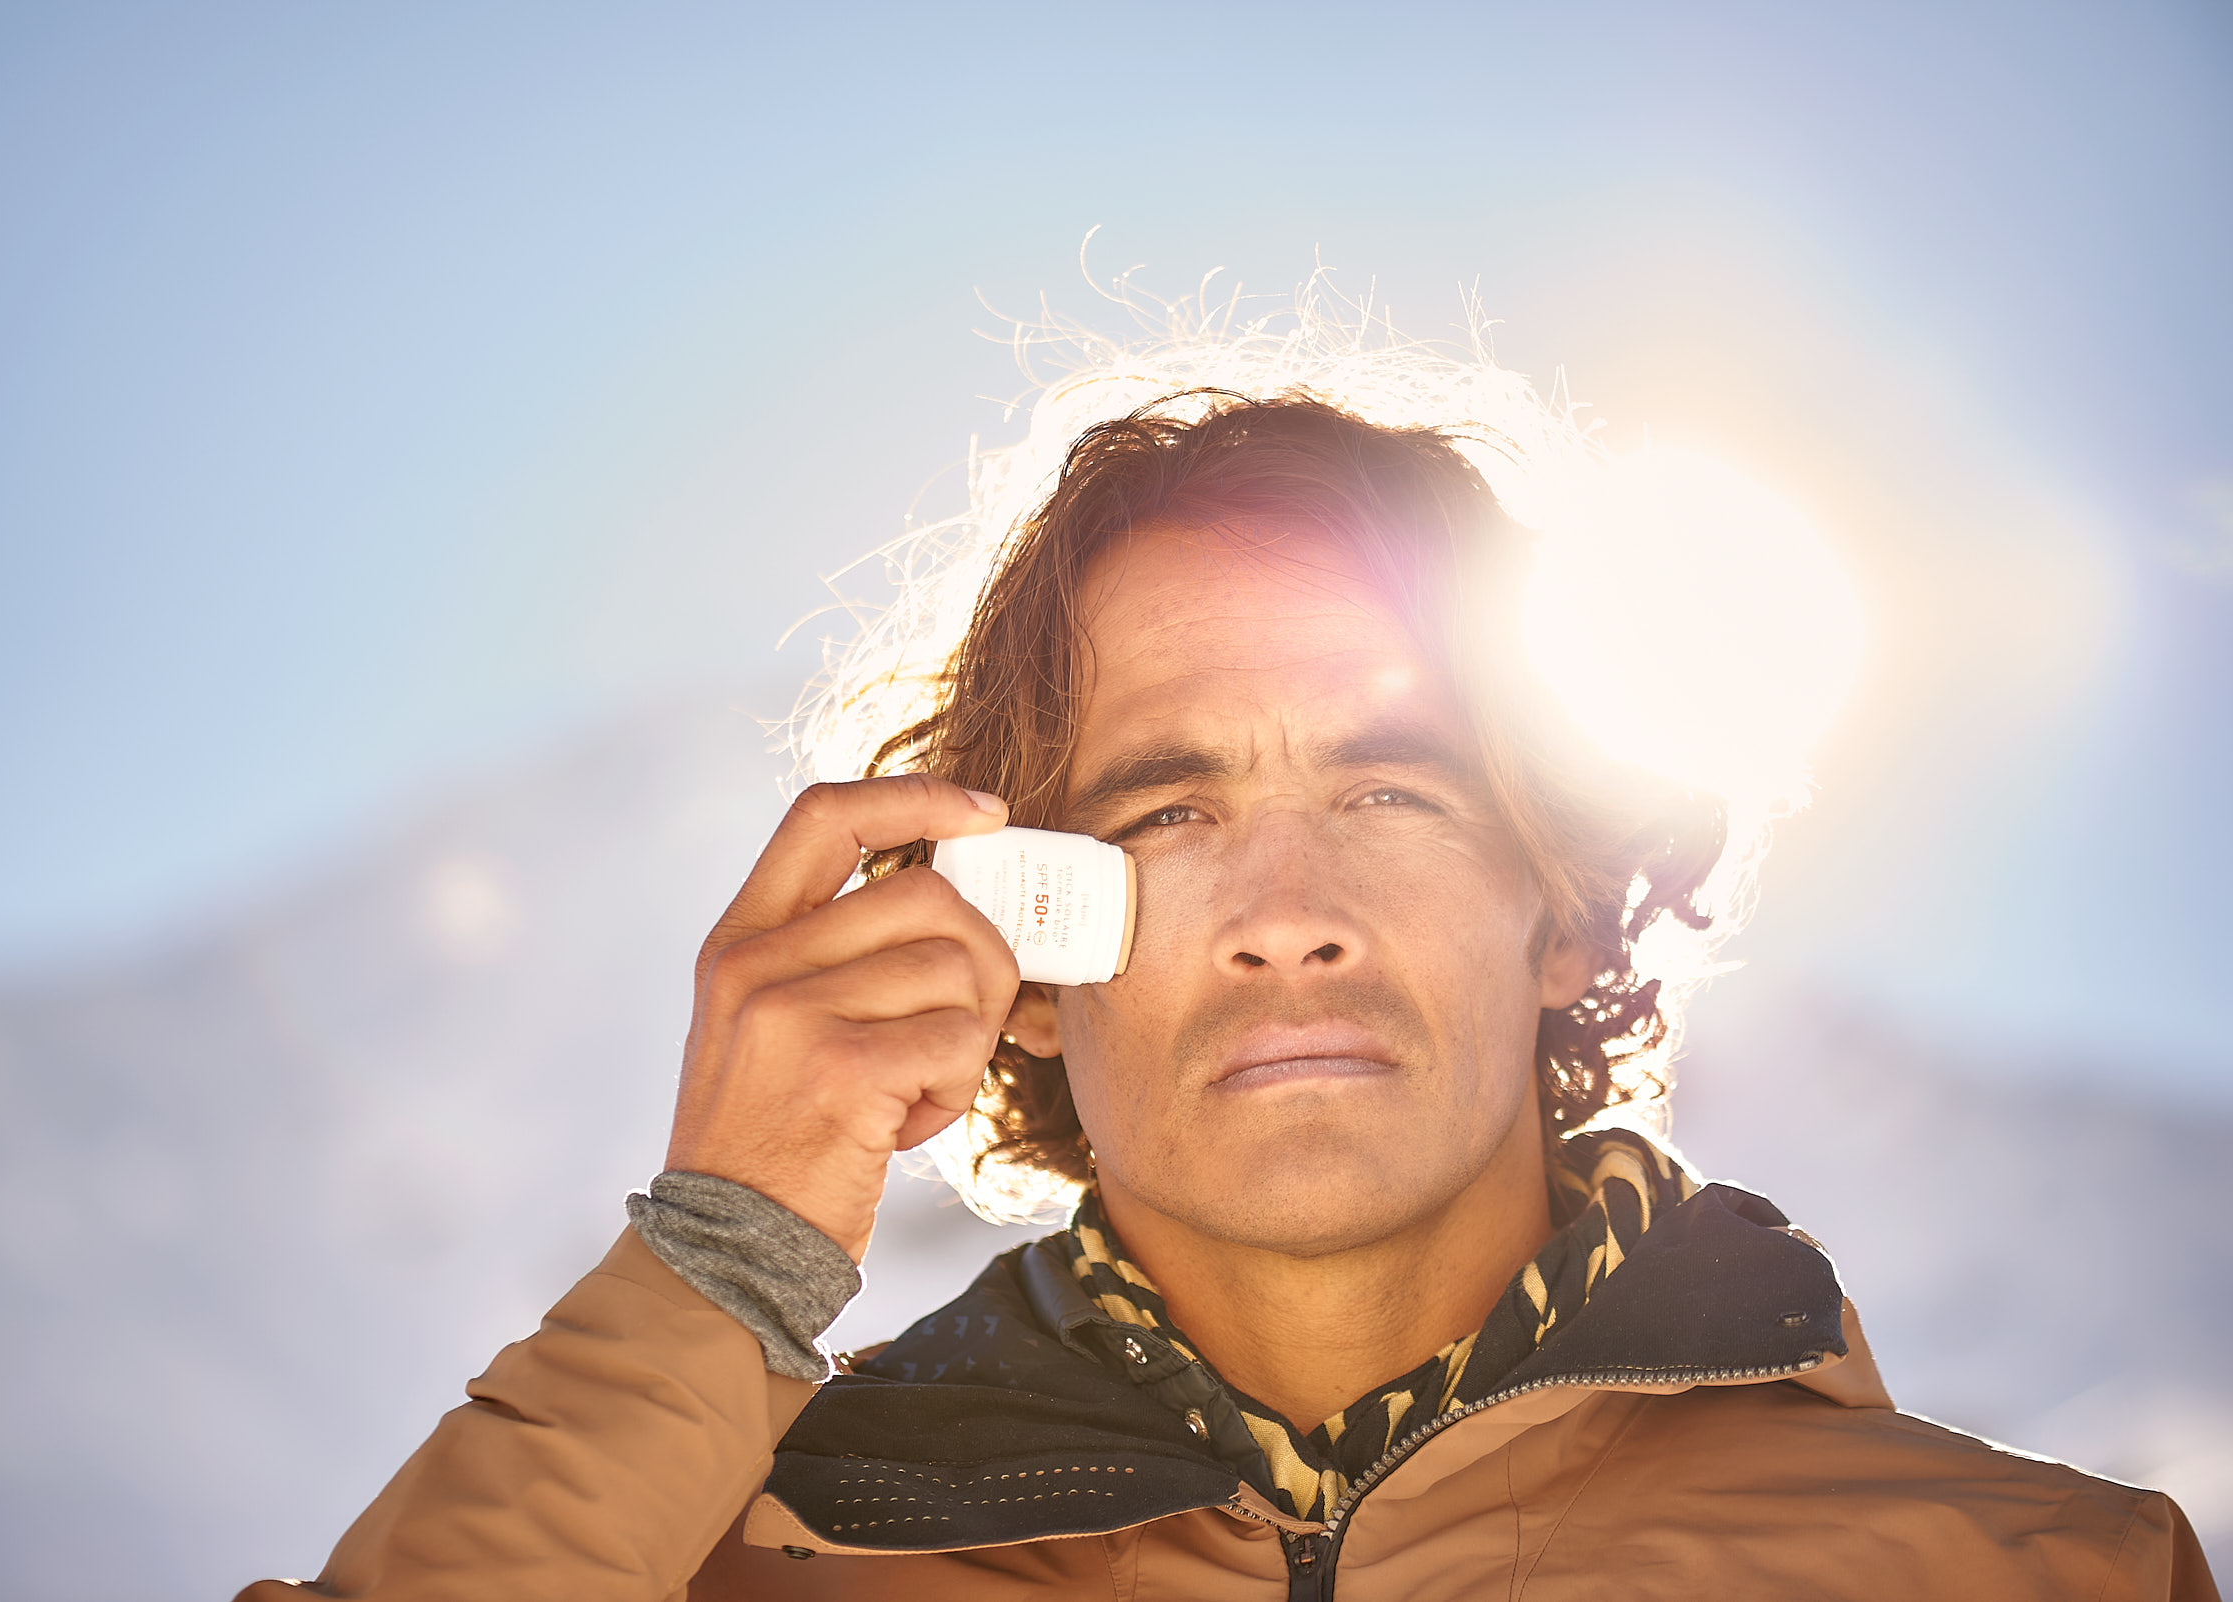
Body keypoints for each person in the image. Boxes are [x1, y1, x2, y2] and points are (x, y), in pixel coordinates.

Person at [239, 316, 2218, 1600]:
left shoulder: (2040, 1571)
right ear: (1026, 950)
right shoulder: (733, 1570)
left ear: (1561, 904)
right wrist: (722, 1266)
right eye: (1165, 814)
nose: (1286, 907)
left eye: (1392, 792)